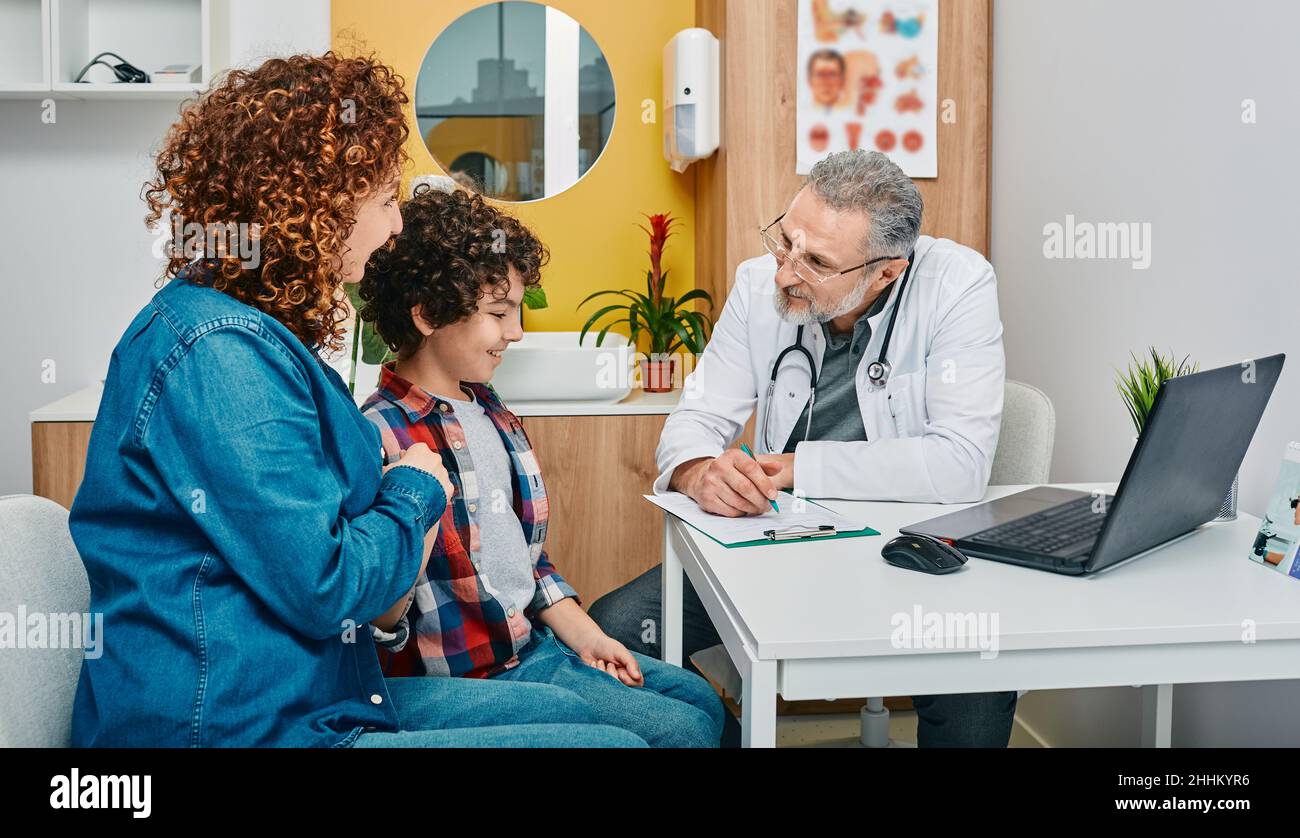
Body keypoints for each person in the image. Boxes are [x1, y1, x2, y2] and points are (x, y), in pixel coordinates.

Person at [69, 52, 642, 748]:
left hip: (320, 693)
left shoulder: (254, 339)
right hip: (236, 728)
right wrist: (413, 488)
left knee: (585, 722)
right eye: (382, 201)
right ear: (316, 207)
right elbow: (327, 586)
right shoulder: (217, 352)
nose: (396, 226)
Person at [589, 149, 1016, 747]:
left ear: (886, 272)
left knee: (978, 665)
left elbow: (960, 466)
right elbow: (696, 419)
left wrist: (796, 467)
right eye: (785, 241)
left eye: (816, 261)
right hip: (773, 540)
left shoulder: (956, 286)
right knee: (614, 632)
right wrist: (696, 471)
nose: (787, 272)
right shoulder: (756, 285)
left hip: (907, 546)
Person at [356, 185, 725, 747]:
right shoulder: (379, 436)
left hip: (530, 648)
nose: (517, 330)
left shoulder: (491, 410)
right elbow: (379, 613)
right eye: (499, 312)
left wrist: (586, 636)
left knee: (698, 701)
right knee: (682, 731)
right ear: (428, 314)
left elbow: (525, 560)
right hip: (464, 681)